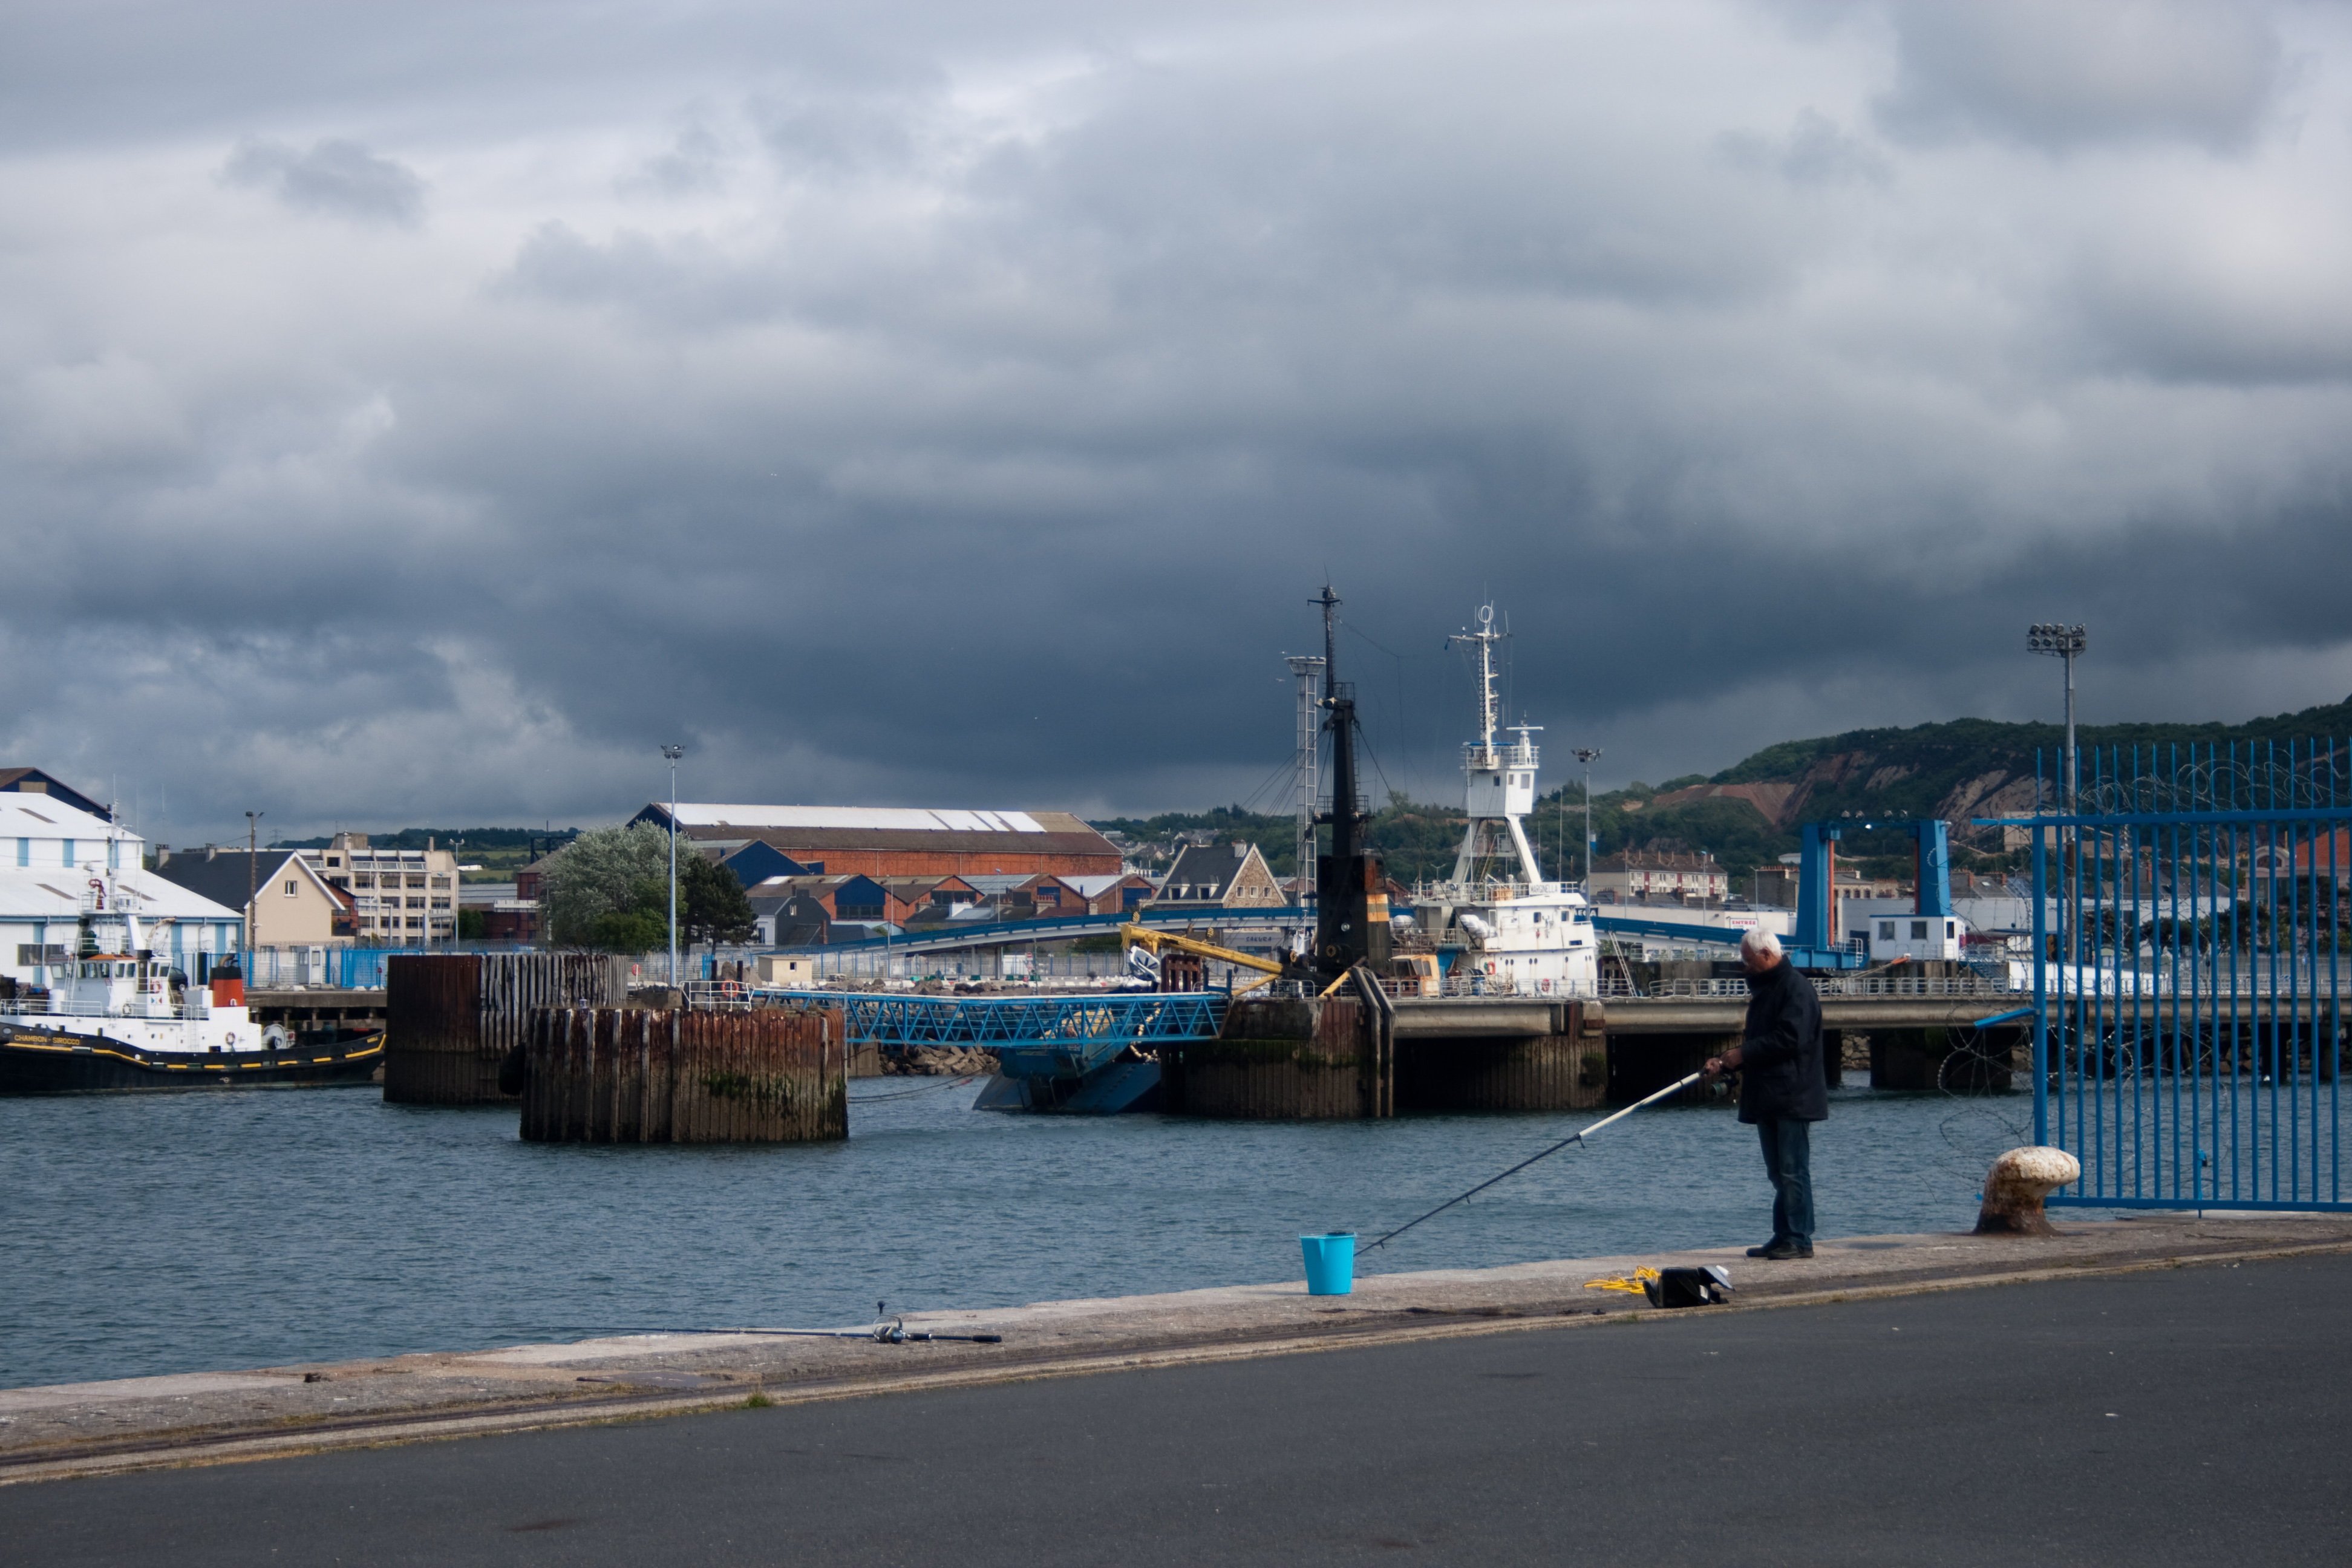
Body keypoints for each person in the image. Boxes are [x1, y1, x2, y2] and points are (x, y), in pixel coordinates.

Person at [1705, 928, 1826, 1260]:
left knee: (1793, 1170)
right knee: (1778, 1173)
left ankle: (1800, 1239)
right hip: (1771, 1094)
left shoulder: (1796, 988)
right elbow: (1764, 1042)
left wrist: (1743, 1053)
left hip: (1793, 1095)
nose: (1745, 966)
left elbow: (1791, 1039)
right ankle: (1784, 1234)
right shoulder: (1768, 989)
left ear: (1767, 955)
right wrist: (1730, 1059)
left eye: (1748, 960)